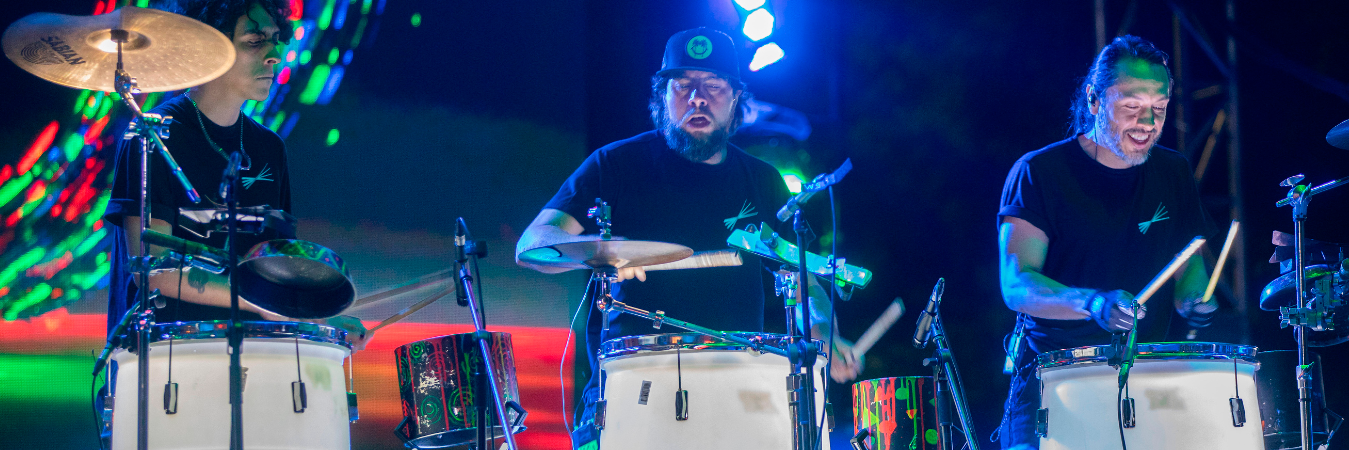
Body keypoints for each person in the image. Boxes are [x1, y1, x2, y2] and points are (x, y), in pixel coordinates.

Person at [515, 27, 861, 448]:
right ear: (662, 96)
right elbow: (532, 244)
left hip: (740, 386)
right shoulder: (614, 165)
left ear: (736, 99)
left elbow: (804, 280)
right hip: (631, 388)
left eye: (714, 86)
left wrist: (824, 330)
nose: (698, 98)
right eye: (683, 86)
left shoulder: (763, 182)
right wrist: (599, 254)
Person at [995, 35, 1218, 449]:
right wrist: (1094, 303)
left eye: (1160, 108)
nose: (1148, 123)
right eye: (1132, 107)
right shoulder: (1040, 173)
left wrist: (1192, 295)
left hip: (1150, 380)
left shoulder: (1174, 172)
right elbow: (1017, 284)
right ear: (1095, 100)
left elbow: (1188, 257)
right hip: (1057, 379)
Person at [103, 0, 367, 346]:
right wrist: (257, 301)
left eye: (276, 39)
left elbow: (274, 268)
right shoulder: (152, 135)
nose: (274, 55)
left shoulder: (270, 149)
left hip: (251, 354)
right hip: (164, 357)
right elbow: (154, 270)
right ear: (208, 47)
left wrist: (323, 319)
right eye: (255, 41)